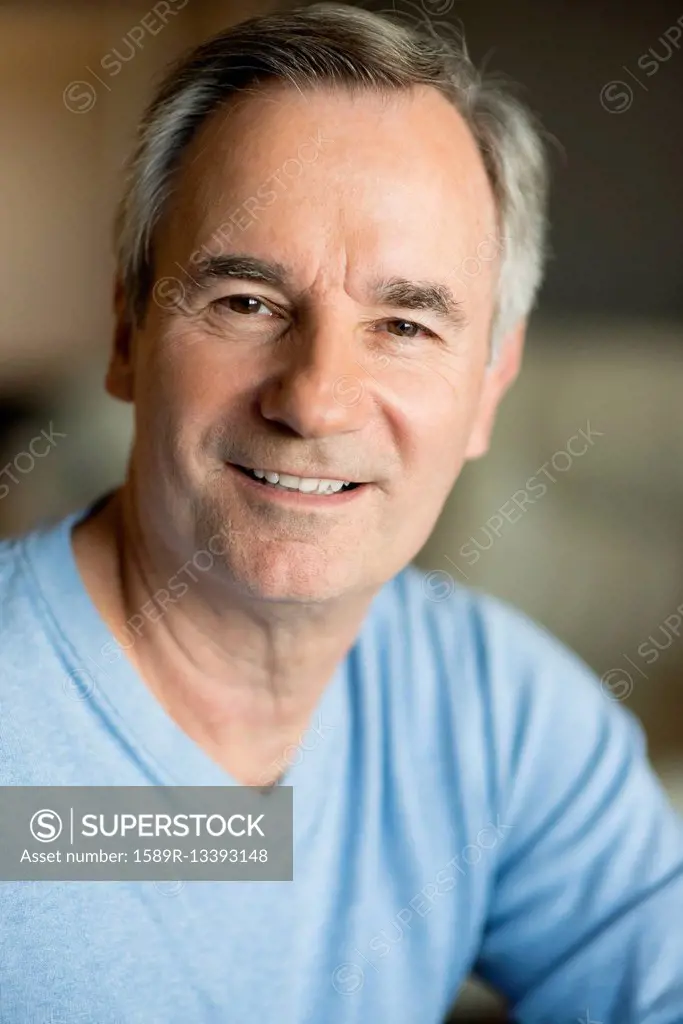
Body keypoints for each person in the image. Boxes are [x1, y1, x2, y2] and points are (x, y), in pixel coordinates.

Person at [1, 4, 682, 1022]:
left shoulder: (500, 714)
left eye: (403, 323)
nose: (314, 398)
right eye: (245, 301)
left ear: (489, 383)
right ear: (127, 331)